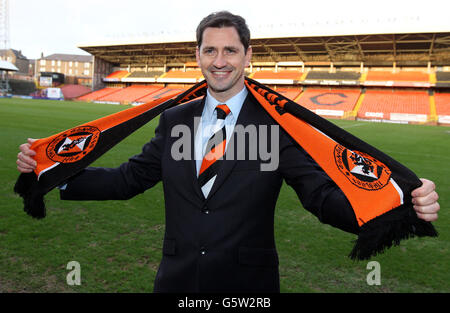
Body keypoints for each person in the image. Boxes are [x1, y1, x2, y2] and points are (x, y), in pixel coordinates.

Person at [16, 11, 440, 293]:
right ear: (198, 55)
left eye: (230, 50)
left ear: (247, 56)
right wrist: (55, 171)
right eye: (210, 50)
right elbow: (129, 180)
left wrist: (399, 208)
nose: (220, 61)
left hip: (248, 289)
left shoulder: (276, 123)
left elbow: (319, 197)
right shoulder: (175, 120)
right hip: (176, 284)